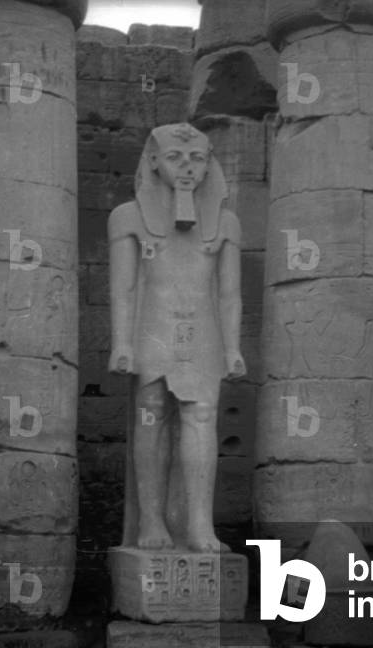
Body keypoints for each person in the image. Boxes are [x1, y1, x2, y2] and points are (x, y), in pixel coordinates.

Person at [108, 123, 245, 553]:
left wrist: (233, 347)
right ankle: (151, 521)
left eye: (197, 159)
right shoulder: (128, 217)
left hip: (202, 331)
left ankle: (200, 526)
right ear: (153, 162)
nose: (187, 168)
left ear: (208, 167)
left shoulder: (225, 223)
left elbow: (229, 293)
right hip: (153, 329)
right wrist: (122, 343)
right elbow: (124, 288)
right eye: (175, 158)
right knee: (151, 412)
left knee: (201, 417)